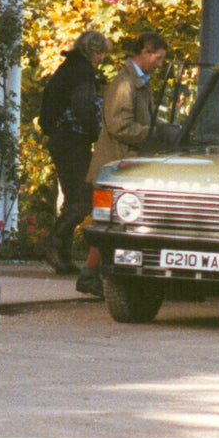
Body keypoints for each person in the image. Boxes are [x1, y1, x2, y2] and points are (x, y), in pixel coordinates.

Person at [77, 31, 169, 296]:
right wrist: (153, 134)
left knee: (114, 224)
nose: (160, 64)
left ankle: (95, 274)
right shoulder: (125, 84)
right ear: (146, 52)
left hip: (124, 165)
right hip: (116, 166)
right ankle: (91, 274)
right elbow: (119, 126)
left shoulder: (137, 83)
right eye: (159, 58)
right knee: (111, 224)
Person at [36, 30, 111, 278]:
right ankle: (53, 242)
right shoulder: (81, 72)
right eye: (100, 53)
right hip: (72, 139)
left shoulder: (69, 68)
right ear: (93, 51)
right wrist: (95, 132)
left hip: (62, 138)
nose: (101, 58)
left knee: (73, 198)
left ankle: (63, 257)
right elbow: (84, 107)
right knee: (84, 198)